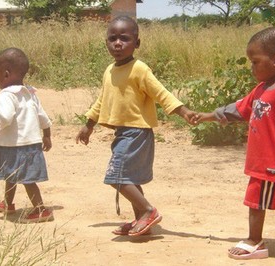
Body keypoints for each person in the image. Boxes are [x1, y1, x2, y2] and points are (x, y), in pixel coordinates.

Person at [194, 27, 275, 259]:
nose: (252, 67)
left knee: (256, 198)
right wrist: (207, 115)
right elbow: (238, 109)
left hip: (273, 164)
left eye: (255, 62)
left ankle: (255, 241)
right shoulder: (262, 90)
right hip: (269, 162)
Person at [76, 16, 196, 236]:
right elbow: (102, 100)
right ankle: (142, 220)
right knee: (129, 178)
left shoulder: (139, 69)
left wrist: (184, 111)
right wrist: (88, 125)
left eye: (125, 38)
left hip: (137, 133)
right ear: (106, 43)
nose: (118, 43)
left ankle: (149, 211)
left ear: (136, 43)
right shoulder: (109, 70)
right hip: (123, 133)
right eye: (112, 39)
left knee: (117, 177)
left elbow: (161, 93)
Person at [0, 47, 54, 223]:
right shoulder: (30, 93)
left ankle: (41, 209)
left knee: (26, 179)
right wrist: (47, 135)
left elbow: (5, 117)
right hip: (30, 144)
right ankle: (8, 204)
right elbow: (43, 117)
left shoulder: (6, 95)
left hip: (14, 146)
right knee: (11, 176)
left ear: (6, 74)